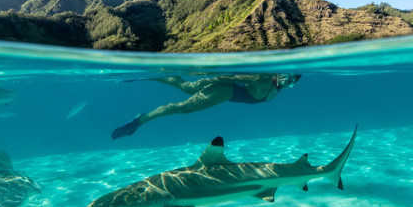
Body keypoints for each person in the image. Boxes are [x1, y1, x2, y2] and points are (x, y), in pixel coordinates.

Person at [111, 74, 301, 140]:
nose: (285, 83)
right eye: (285, 77)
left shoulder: (275, 84)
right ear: (278, 72)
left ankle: (150, 75)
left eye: (291, 82)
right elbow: (232, 78)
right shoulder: (263, 78)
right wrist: (206, 79)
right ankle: (141, 120)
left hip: (230, 90)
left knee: (186, 87)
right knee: (183, 107)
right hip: (227, 91)